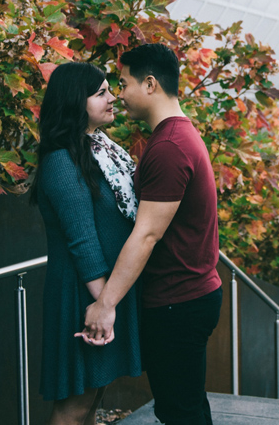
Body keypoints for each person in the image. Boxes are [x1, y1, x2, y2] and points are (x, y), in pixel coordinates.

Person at [81, 43, 222, 425]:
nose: (119, 95)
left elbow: (146, 235)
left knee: (180, 410)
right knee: (184, 405)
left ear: (149, 84)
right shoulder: (176, 136)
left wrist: (105, 304)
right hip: (188, 294)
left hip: (179, 299)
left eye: (123, 84)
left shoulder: (170, 146)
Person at [31, 62, 142, 425]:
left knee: (93, 399)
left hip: (101, 292)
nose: (113, 99)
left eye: (110, 90)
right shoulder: (62, 160)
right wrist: (103, 306)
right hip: (83, 294)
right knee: (74, 407)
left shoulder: (99, 152)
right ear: (74, 102)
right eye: (101, 93)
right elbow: (81, 240)